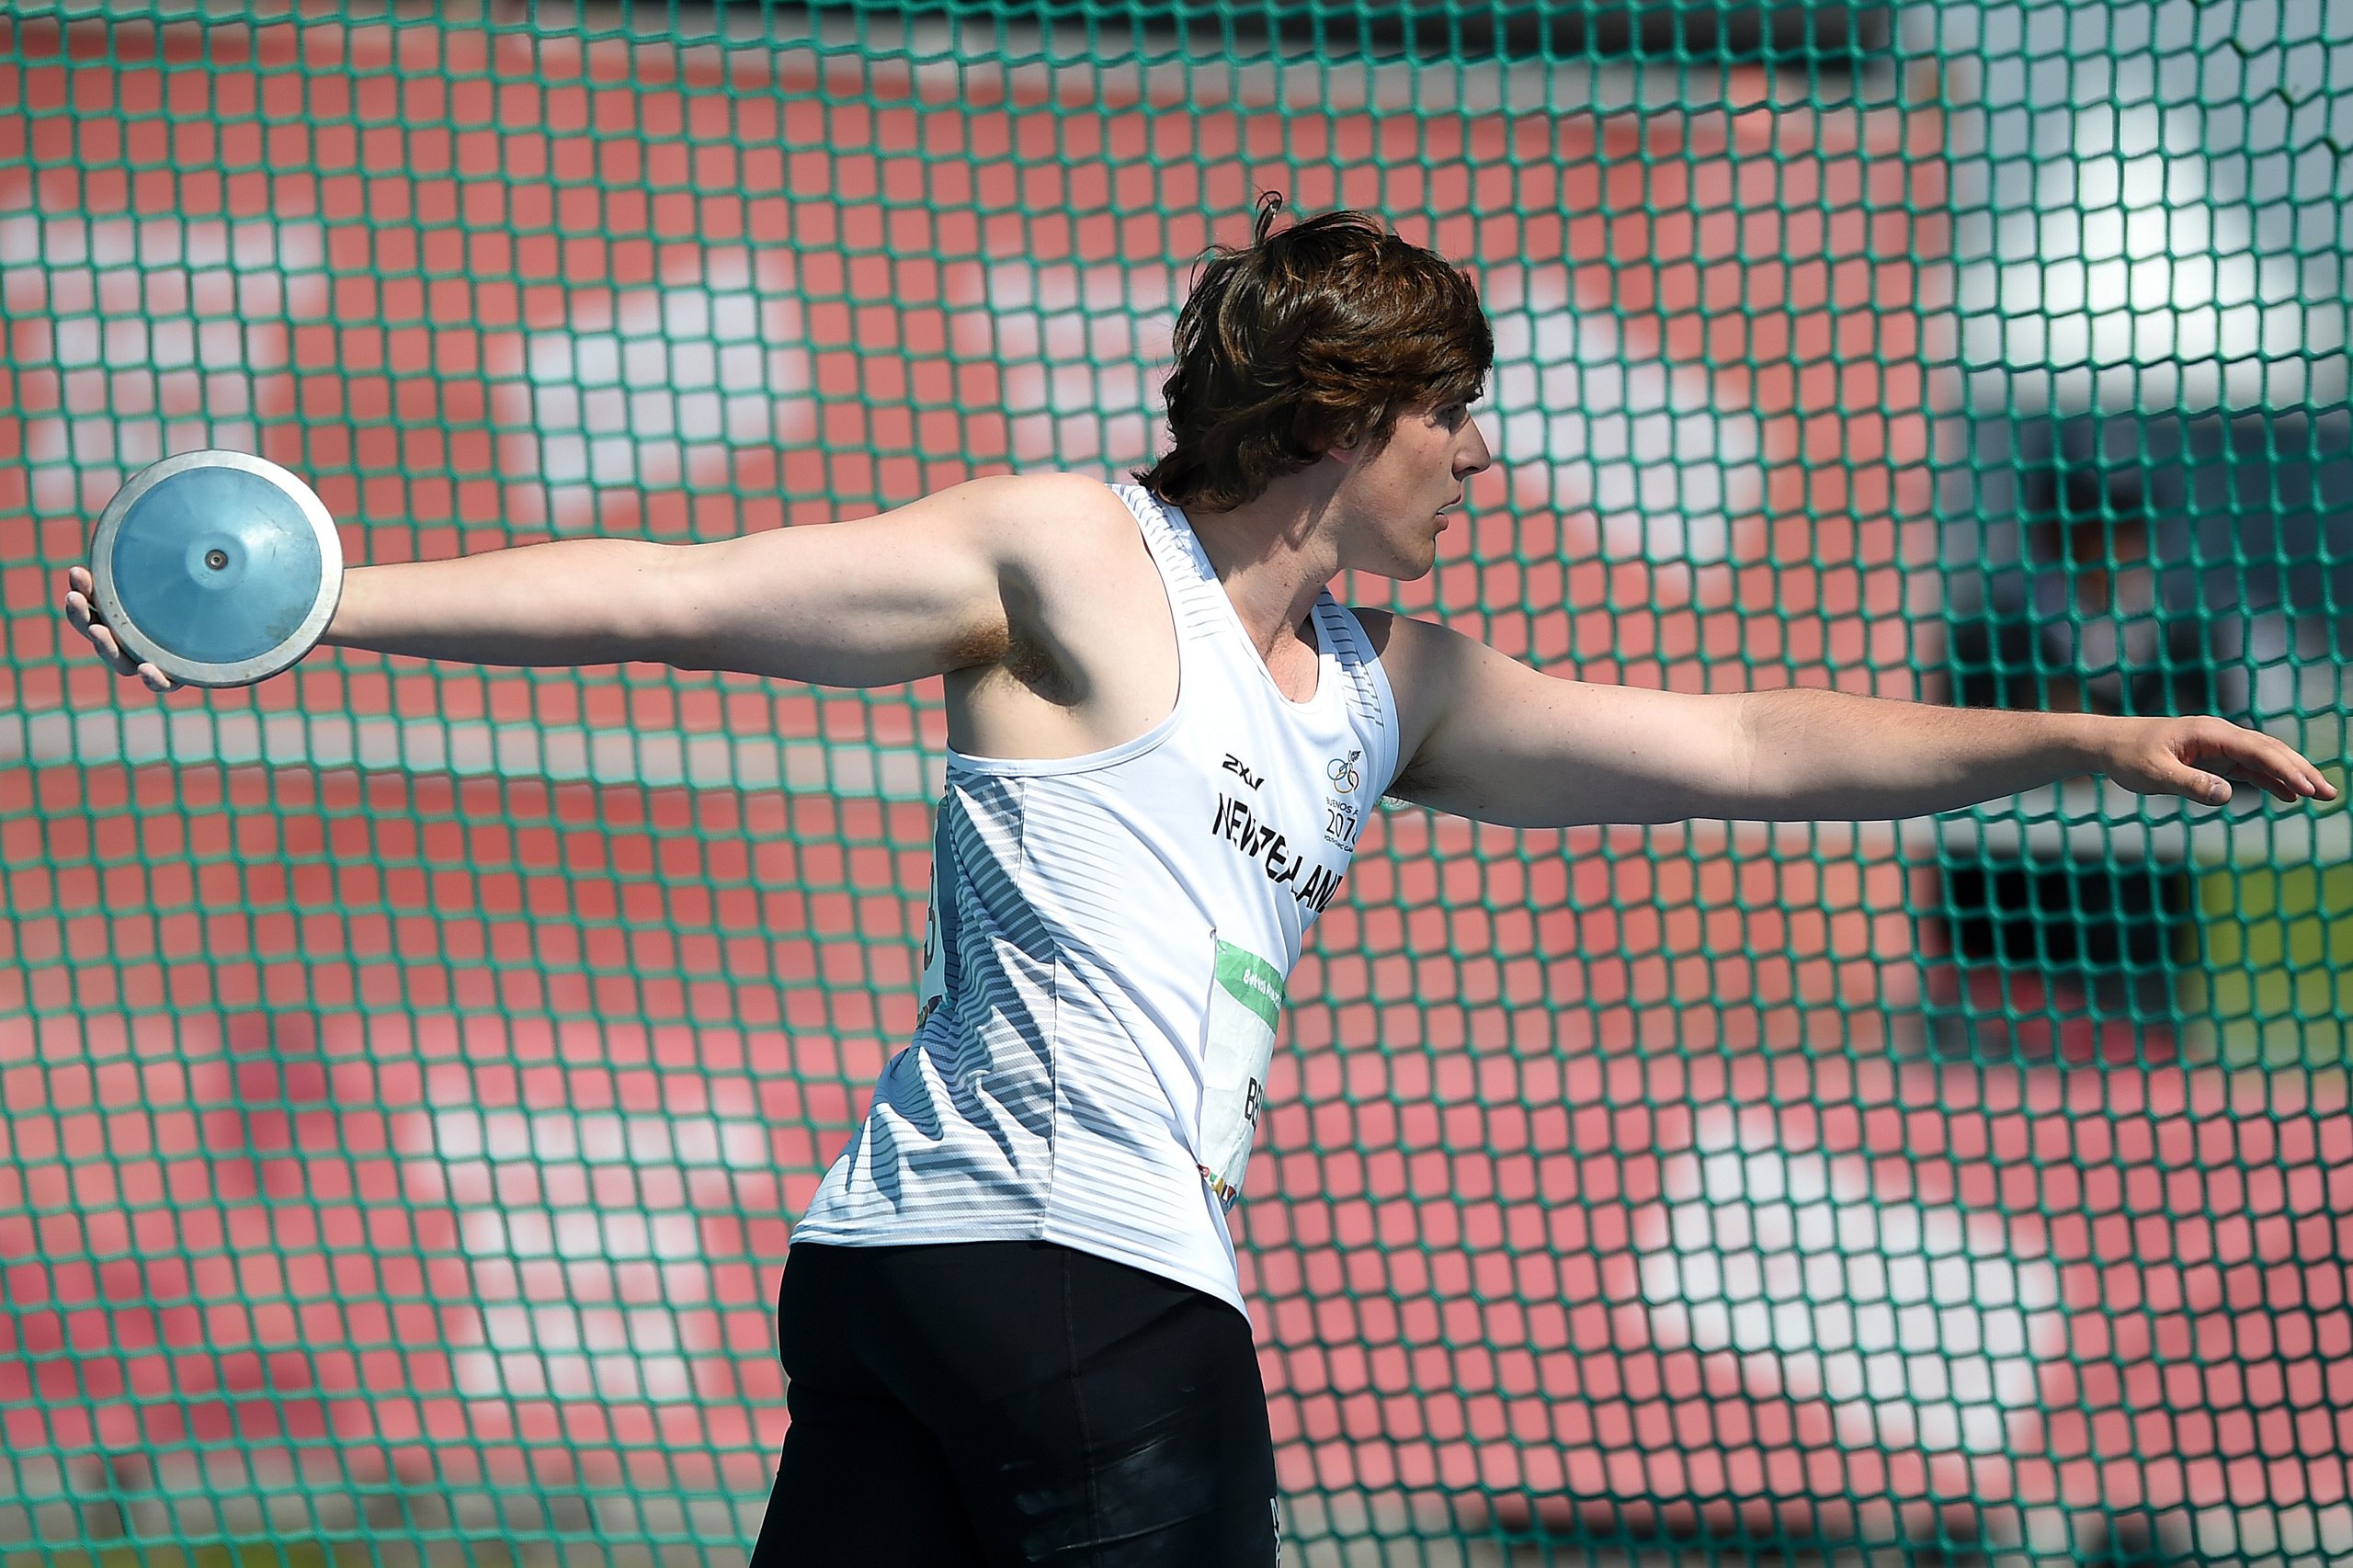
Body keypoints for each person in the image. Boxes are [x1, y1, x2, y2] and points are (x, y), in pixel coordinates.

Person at [64, 198, 2336, 1566]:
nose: (1484, 454)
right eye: (1458, 412)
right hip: (1076, 1291)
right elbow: (682, 589)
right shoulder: (1071, 549)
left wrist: (2073, 736)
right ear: (1349, 418)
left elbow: (1737, 744)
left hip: (900, 1289)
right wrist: (322, 604)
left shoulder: (1386, 683)